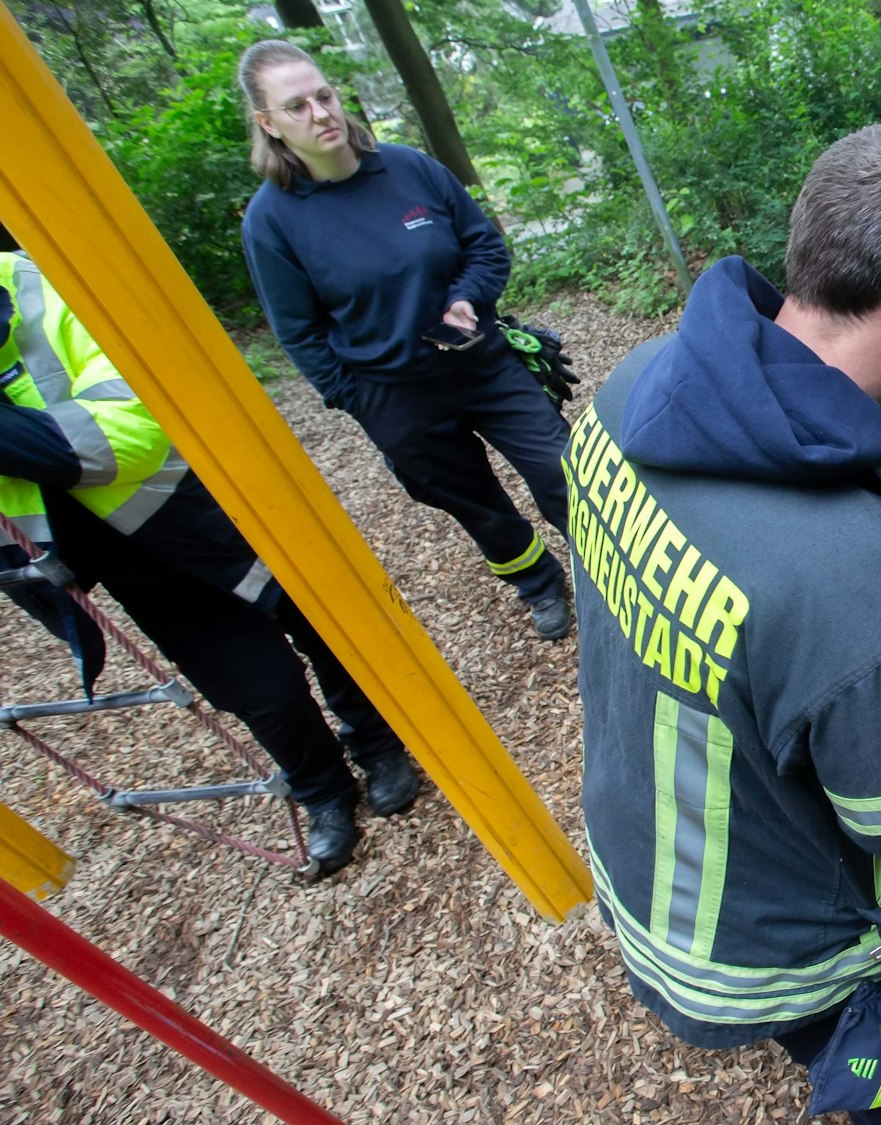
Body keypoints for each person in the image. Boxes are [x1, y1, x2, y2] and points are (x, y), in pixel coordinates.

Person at [571, 121, 881, 1124]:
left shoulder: (642, 390)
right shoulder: (843, 585)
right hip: (773, 947)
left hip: (650, 861)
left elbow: (746, 580)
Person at [0, 250, 417, 875]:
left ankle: (380, 744)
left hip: (200, 506)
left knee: (320, 626)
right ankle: (323, 791)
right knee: (258, 691)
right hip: (131, 560)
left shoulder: (40, 278)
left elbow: (127, 437)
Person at [236, 39, 574, 641]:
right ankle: (537, 582)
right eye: (297, 107)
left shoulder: (409, 167)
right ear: (268, 124)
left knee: (562, 466)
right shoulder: (272, 219)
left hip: (481, 363)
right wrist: (358, 399)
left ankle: (613, 574)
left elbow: (486, 246)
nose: (320, 113)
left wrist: (469, 295)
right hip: (396, 397)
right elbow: (299, 330)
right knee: (476, 504)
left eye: (324, 95)